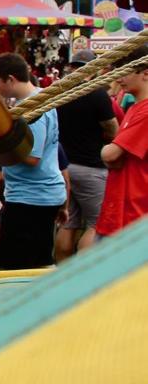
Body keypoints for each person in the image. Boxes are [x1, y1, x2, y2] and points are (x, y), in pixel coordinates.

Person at [0, 53, 66, 269]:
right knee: (38, 261)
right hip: (38, 194)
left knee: (14, 267)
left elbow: (32, 157)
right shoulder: (38, 99)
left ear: (10, 80)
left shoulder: (32, 109)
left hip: (31, 197)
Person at [54, 49, 118, 258]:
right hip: (91, 167)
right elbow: (112, 128)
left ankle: (62, 269)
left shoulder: (61, 91)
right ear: (93, 68)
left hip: (64, 167)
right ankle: (84, 270)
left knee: (68, 222)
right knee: (95, 224)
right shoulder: (97, 93)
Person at [96, 47, 148, 239]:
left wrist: (110, 151)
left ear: (145, 73)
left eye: (123, 71)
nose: (117, 78)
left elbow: (111, 155)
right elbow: (115, 157)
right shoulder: (135, 107)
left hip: (133, 216)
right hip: (120, 211)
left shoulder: (145, 111)